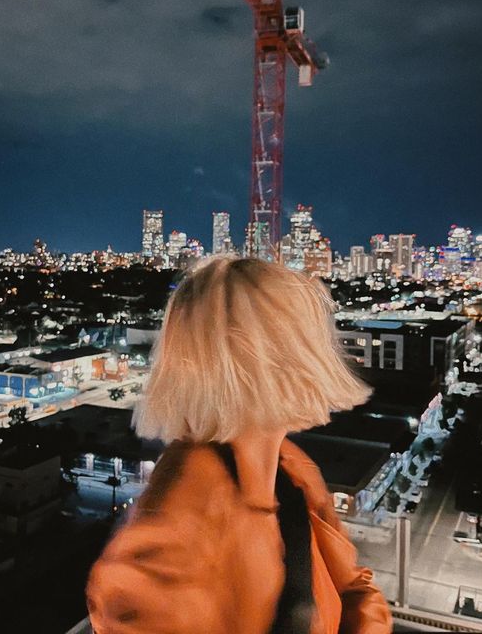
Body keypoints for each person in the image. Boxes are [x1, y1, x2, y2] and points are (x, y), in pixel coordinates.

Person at [86, 256, 393, 633]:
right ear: (268, 359)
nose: (325, 353)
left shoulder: (293, 472)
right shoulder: (187, 503)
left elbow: (352, 587)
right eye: (307, 338)